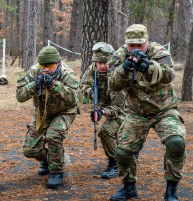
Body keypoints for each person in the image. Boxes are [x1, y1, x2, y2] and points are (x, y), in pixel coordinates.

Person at [108, 24, 186, 201]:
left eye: (139, 45)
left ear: (147, 42)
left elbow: (169, 74)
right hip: (136, 113)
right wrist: (124, 69)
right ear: (126, 44)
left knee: (176, 143)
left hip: (164, 110)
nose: (135, 49)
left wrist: (148, 67)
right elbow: (111, 84)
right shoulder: (119, 55)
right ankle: (129, 188)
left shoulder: (158, 51)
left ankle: (171, 190)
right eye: (131, 46)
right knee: (122, 152)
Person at [16, 46, 79, 189]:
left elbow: (74, 98)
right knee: (30, 150)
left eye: (50, 65)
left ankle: (56, 171)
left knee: (54, 135)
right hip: (43, 112)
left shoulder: (67, 73)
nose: (46, 69)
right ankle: (48, 159)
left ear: (57, 63)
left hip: (64, 111)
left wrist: (53, 85)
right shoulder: (34, 71)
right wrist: (34, 85)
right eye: (42, 65)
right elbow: (19, 95)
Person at [80, 42, 126, 179]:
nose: (102, 66)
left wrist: (102, 112)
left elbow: (118, 108)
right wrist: (91, 93)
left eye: (106, 63)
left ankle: (115, 163)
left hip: (126, 110)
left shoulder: (118, 74)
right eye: (99, 63)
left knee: (106, 131)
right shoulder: (92, 70)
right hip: (106, 106)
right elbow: (83, 86)